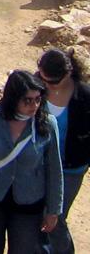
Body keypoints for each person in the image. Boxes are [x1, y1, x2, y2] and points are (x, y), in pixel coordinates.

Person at [0, 70, 63, 254]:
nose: (34, 105)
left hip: (29, 202)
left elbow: (54, 169)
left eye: (37, 99)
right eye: (27, 100)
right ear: (13, 98)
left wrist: (53, 210)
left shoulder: (47, 124)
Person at [37, 47, 90, 254]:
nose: (46, 85)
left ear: (67, 74)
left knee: (55, 216)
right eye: (44, 79)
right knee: (34, 216)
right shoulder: (34, 87)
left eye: (52, 82)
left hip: (71, 169)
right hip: (37, 164)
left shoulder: (85, 97)